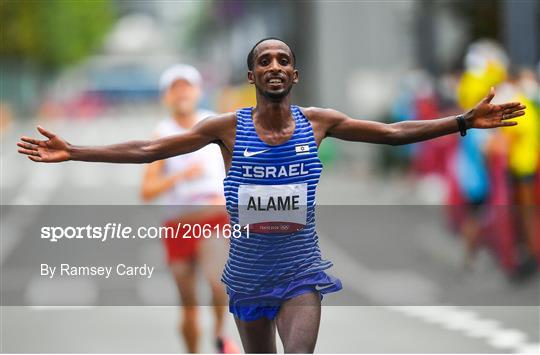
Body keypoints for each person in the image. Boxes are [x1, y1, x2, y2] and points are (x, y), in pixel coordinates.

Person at [17, 38, 526, 353]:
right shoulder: (227, 128)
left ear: (295, 74)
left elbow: (392, 132)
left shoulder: (320, 123)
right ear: (253, 76)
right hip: (247, 276)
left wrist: (460, 121)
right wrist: (77, 150)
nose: (276, 66)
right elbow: (151, 147)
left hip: (300, 271)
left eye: (284, 59)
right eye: (266, 61)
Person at [140, 64, 239, 353]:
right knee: (189, 307)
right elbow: (147, 191)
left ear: (198, 92)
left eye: (187, 86)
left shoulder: (215, 125)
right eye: (175, 87)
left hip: (214, 220)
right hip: (178, 224)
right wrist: (179, 176)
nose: (182, 92)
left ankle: (220, 334)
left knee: (219, 283)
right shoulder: (163, 134)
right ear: (166, 97)